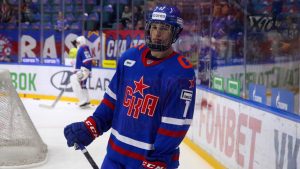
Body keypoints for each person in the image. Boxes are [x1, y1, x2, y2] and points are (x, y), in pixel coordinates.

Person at [64, 4, 196, 169]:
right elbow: (111, 101)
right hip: (115, 155)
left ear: (175, 32)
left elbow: (175, 124)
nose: (157, 33)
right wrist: (91, 127)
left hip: (149, 161)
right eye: (154, 27)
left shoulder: (180, 73)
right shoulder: (129, 58)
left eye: (164, 28)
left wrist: (157, 160)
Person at [70, 36, 92, 108]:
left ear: (80, 42)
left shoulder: (83, 48)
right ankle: (87, 100)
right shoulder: (84, 48)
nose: (76, 44)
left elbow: (87, 60)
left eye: (77, 42)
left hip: (83, 71)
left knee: (73, 79)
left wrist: (83, 70)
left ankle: (82, 100)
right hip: (84, 70)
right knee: (83, 85)